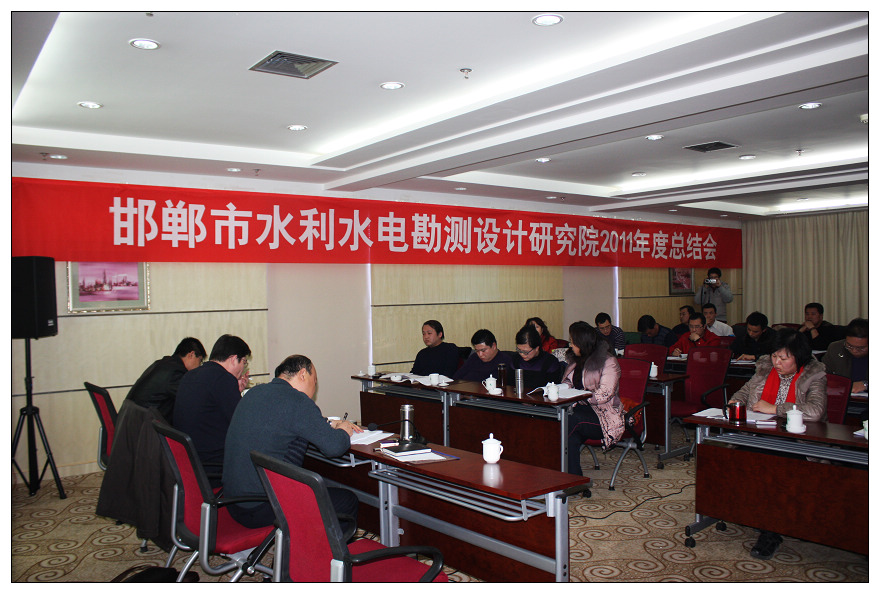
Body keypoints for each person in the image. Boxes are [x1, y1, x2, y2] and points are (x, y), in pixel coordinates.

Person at [223, 354, 363, 531]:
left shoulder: (255, 393)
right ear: (303, 374)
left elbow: (281, 421)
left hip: (235, 501)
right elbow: (334, 447)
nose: (315, 387)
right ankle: (323, 549)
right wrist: (344, 430)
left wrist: (326, 422)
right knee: (347, 500)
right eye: (315, 380)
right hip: (263, 506)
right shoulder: (298, 400)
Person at [727, 328, 827, 561]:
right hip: (762, 435)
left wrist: (776, 409)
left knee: (774, 471)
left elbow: (815, 410)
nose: (777, 363)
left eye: (784, 358)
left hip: (798, 442)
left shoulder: (814, 374)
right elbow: (744, 392)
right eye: (774, 356)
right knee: (735, 460)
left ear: (799, 357)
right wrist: (735, 401)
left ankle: (770, 533)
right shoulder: (764, 369)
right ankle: (754, 513)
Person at [173, 334, 251, 480]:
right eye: (244, 362)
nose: (243, 368)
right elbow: (243, 424)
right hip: (214, 466)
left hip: (190, 463)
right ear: (234, 359)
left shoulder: (190, 375)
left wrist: (235, 390)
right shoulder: (223, 380)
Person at [561, 322, 624, 476]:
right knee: (567, 432)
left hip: (605, 416)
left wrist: (578, 397)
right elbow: (568, 383)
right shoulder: (575, 361)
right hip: (579, 411)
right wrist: (558, 390)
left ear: (582, 343)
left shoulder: (608, 361)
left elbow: (605, 394)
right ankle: (573, 479)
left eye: (573, 342)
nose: (570, 345)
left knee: (569, 421)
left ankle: (563, 475)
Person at [125, 337, 206, 423]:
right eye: (200, 361)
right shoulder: (175, 372)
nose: (199, 367)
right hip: (145, 426)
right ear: (191, 355)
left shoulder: (163, 364)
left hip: (132, 421)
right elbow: (192, 399)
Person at [823, 318, 868, 393]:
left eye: (861, 348)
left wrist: (867, 384)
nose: (854, 351)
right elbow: (822, 374)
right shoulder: (835, 348)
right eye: (849, 346)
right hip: (841, 396)